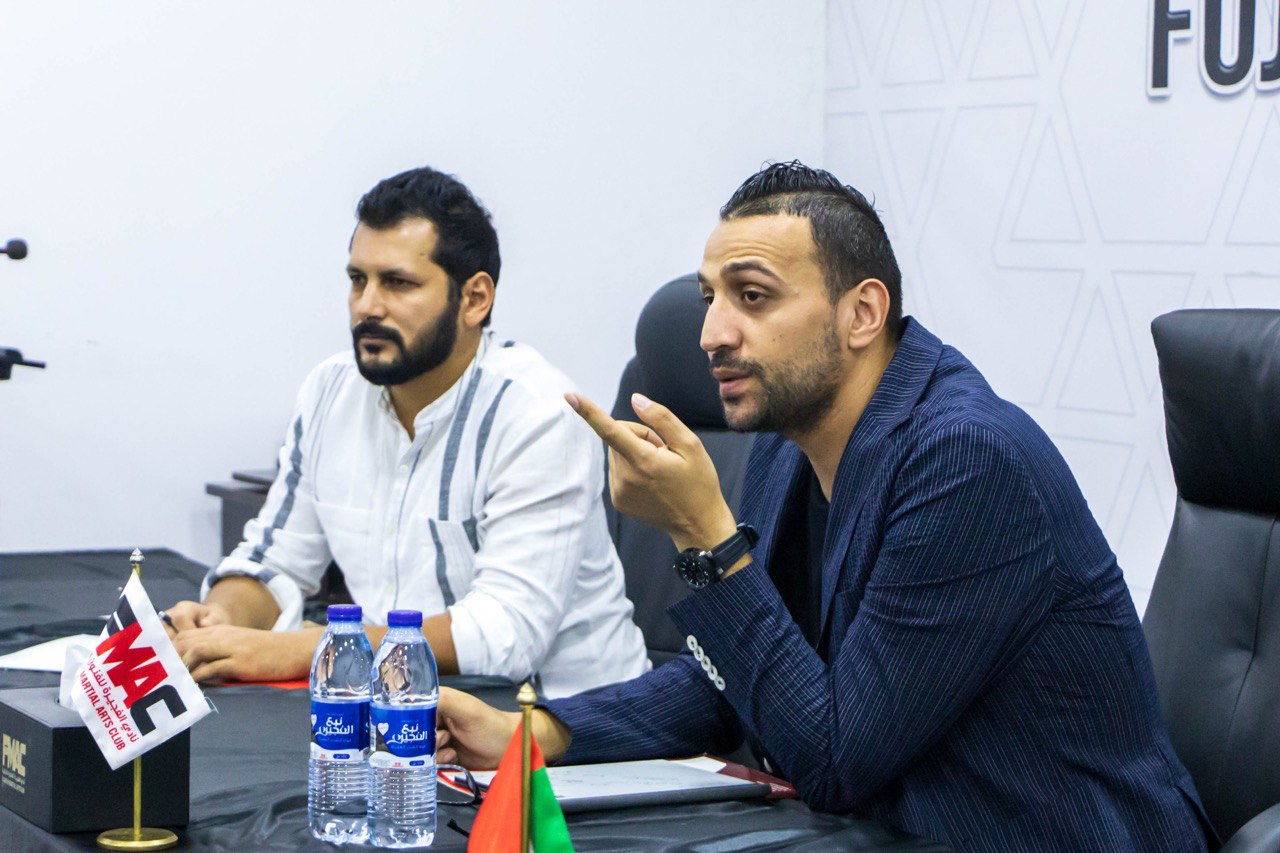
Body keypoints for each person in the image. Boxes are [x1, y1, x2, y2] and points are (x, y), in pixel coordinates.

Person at [433, 162, 1213, 849]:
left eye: (752, 296)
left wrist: (704, 536)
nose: (711, 332)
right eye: (711, 298)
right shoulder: (792, 442)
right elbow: (724, 679)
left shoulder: (968, 461)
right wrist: (528, 732)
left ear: (862, 314)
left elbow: (837, 759)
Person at [165, 167, 648, 698]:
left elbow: (505, 634)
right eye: (357, 280)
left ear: (474, 299)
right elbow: (274, 559)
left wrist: (300, 648)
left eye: (397, 283)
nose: (368, 305)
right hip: (407, 712)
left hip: (565, 737)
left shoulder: (536, 413)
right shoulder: (331, 391)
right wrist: (218, 624)